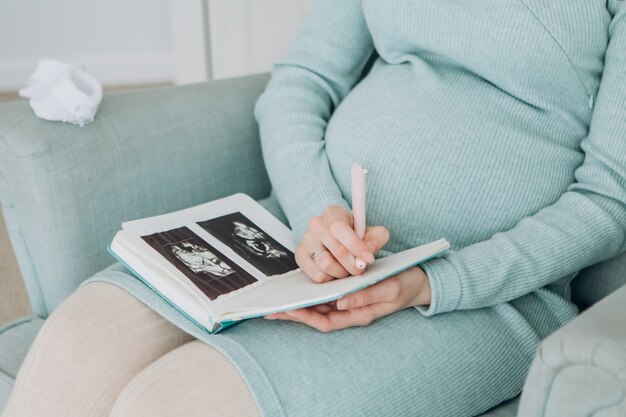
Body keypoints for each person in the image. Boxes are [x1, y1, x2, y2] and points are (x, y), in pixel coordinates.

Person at [3, 1, 626, 416]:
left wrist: (430, 283)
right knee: (77, 344)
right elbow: (298, 85)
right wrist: (314, 215)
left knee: (172, 403)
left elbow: (609, 199)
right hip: (292, 234)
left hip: (483, 297)